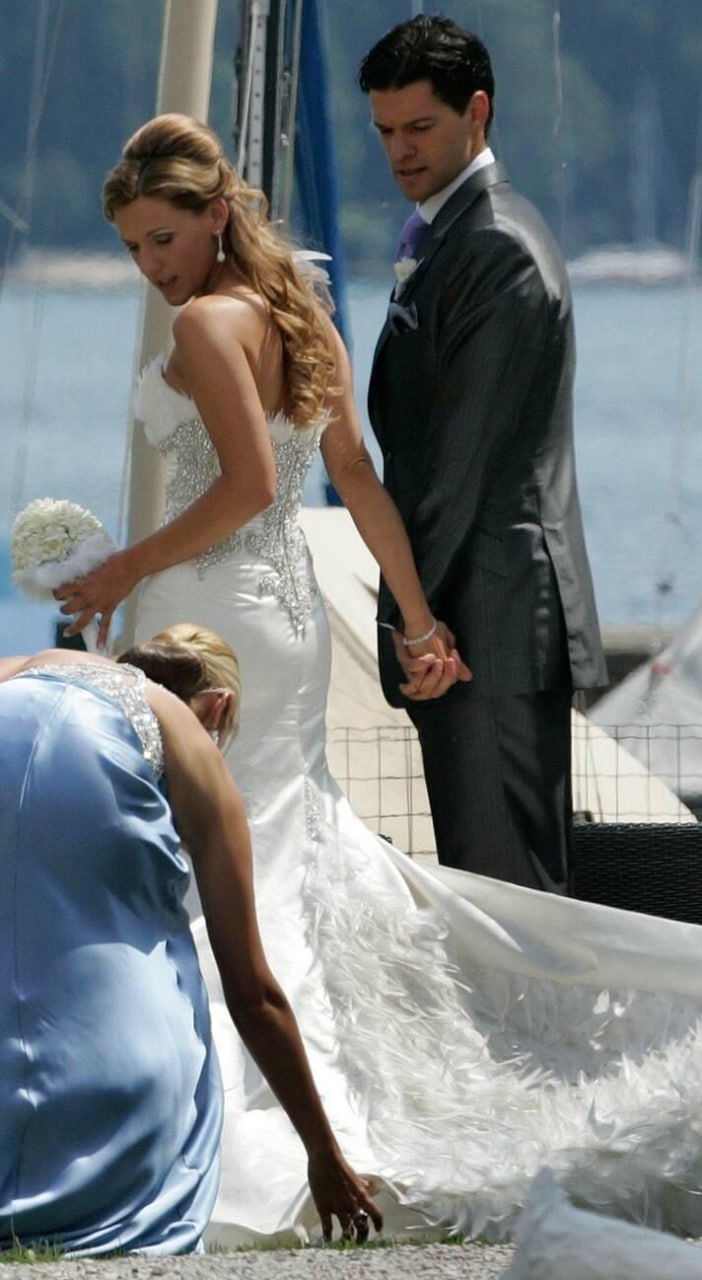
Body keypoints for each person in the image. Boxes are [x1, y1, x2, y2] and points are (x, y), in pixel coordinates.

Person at [50, 113, 702, 1248]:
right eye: (133, 248)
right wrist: (416, 614)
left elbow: (251, 485)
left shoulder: (206, 321)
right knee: (278, 846)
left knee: (214, 852)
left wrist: (120, 568)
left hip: (210, 619)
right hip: (292, 622)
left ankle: (222, 1102)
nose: (151, 265)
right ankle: (312, 1084)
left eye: (163, 237)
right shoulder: (299, 311)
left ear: (215, 216)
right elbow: (352, 473)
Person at [0, 639, 381, 1256]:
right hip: (113, 1121)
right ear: (217, 709)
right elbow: (252, 992)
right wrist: (323, 1153)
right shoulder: (173, 723)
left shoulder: (16, 671)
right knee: (161, 950)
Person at [358, 15, 608, 890]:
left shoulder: (496, 245)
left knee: (512, 896)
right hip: (472, 617)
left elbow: (454, 468)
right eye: (385, 130)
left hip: (486, 623)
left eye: (420, 127)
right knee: (496, 887)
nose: (400, 150)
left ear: (478, 112)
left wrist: (417, 624)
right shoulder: (452, 234)